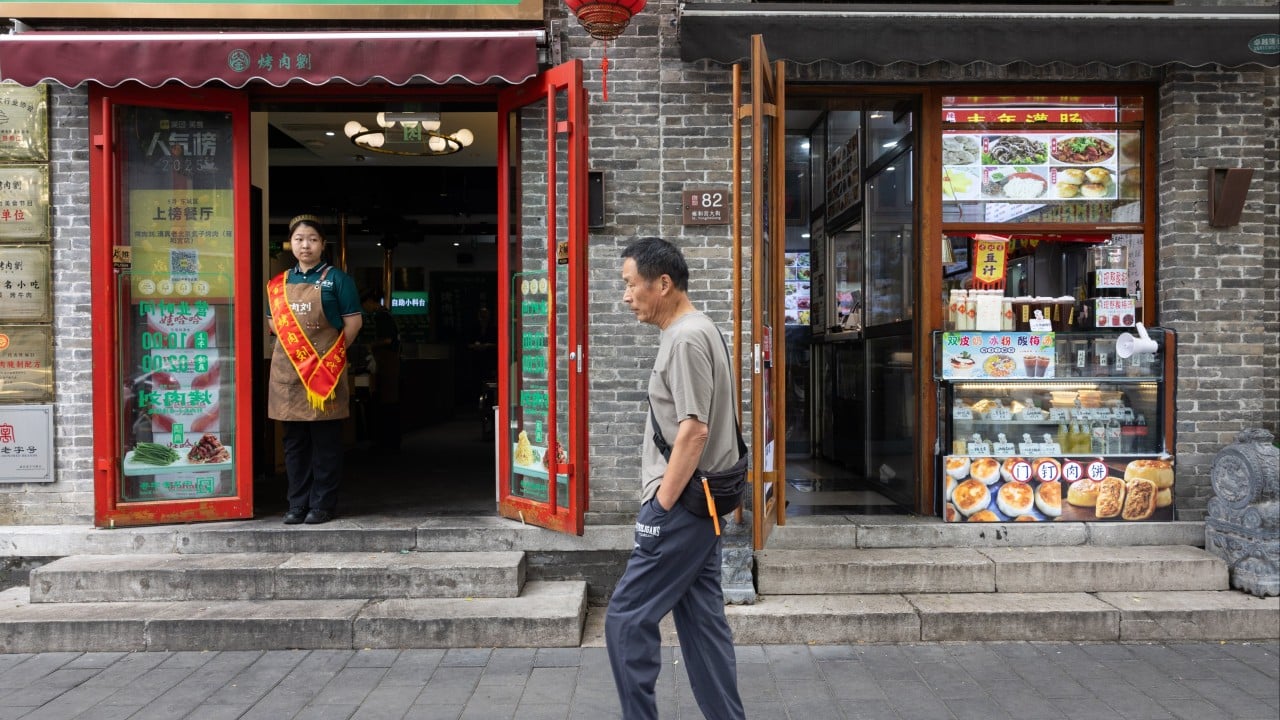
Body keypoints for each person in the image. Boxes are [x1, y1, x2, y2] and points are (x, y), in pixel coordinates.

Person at [605, 237, 746, 720]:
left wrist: (659, 508)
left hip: (683, 505)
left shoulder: (685, 338)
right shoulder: (698, 329)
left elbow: (694, 430)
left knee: (625, 618)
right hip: (702, 504)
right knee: (703, 627)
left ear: (662, 284)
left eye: (631, 284)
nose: (626, 295)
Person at [266, 215, 363, 525]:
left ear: (322, 244)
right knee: (294, 444)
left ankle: (322, 504)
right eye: (298, 239)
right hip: (289, 375)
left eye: (312, 239)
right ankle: (297, 504)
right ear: (290, 244)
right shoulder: (279, 284)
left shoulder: (338, 280)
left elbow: (353, 324)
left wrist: (331, 356)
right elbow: (273, 324)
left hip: (324, 374)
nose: (305, 245)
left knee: (325, 444)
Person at [361, 290, 401, 452]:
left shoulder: (381, 317)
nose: (365, 308)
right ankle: (391, 441)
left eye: (365, 305)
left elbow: (388, 340)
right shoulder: (387, 314)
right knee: (390, 402)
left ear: (371, 301)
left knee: (386, 403)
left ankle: (387, 442)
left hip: (387, 364)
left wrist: (371, 345)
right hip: (391, 364)